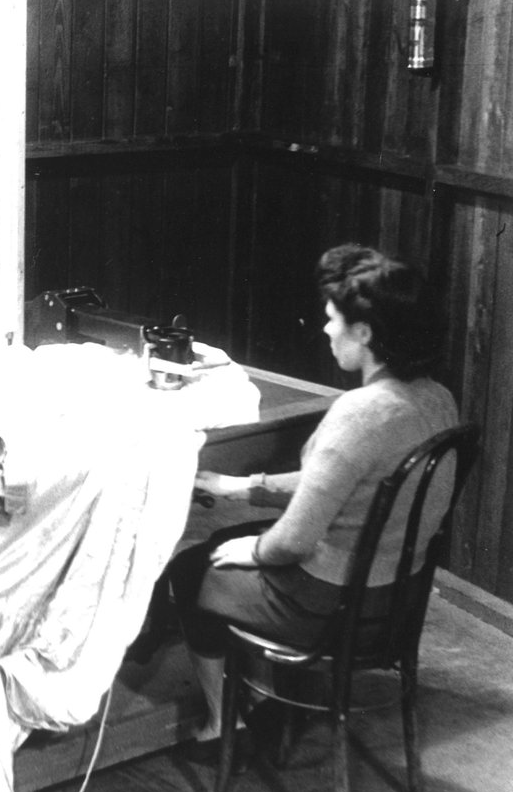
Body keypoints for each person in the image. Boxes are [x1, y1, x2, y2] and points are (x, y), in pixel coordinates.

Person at [169, 243, 459, 744]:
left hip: (332, 608)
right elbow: (349, 483)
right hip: (398, 601)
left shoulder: (358, 412)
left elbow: (293, 543)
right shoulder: (436, 399)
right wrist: (242, 487)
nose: (326, 329)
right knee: (236, 539)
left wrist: (257, 551)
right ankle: (262, 698)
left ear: (364, 333)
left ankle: (225, 725)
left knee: (192, 568)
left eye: (333, 319)